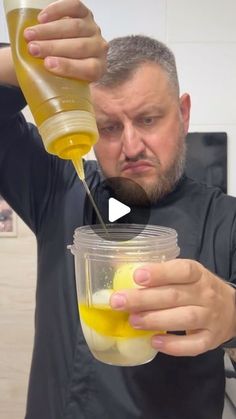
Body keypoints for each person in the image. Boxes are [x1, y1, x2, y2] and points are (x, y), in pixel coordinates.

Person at [1, 1, 236, 418]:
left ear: (182, 114)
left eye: (148, 120)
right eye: (108, 127)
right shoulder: (60, 188)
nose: (130, 147)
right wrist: (29, 61)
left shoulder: (227, 220)